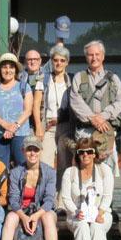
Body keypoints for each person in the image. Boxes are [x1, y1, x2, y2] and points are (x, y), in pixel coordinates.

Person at [0, 135, 59, 240]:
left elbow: (49, 200)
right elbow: (13, 200)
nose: (32, 153)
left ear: (41, 151)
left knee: (49, 217)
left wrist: (35, 216)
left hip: (42, 210)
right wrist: (23, 216)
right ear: (23, 151)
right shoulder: (16, 172)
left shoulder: (49, 172)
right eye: (29, 149)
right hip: (22, 210)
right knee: (10, 217)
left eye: (36, 149)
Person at [59, 137, 114, 240]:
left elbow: (107, 196)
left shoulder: (104, 170)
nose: (85, 155)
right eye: (81, 152)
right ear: (77, 154)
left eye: (89, 151)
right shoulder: (70, 172)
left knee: (97, 227)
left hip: (101, 212)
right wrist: (76, 212)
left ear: (94, 154)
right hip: (76, 213)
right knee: (82, 226)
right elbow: (66, 198)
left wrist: (100, 213)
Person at [69, 40, 121, 173]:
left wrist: (103, 116)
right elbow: (75, 101)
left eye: (97, 54)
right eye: (90, 55)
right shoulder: (79, 77)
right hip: (84, 132)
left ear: (103, 56)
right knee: (83, 169)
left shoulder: (113, 78)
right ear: (86, 57)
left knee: (107, 171)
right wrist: (92, 118)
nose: (94, 58)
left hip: (105, 131)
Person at [0, 53, 33, 168]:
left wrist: (14, 127)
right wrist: (5, 125)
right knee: (0, 167)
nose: (8, 70)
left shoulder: (24, 87)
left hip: (20, 133)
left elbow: (28, 111)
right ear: (0, 69)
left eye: (11, 67)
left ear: (16, 70)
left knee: (22, 166)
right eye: (4, 67)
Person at [33, 44, 72, 183]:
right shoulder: (44, 79)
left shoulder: (71, 81)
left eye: (62, 60)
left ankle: (61, 195)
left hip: (66, 126)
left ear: (67, 62)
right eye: (55, 60)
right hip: (48, 127)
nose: (58, 63)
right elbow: (36, 105)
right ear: (51, 61)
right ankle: (47, 194)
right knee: (45, 164)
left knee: (65, 164)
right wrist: (38, 126)